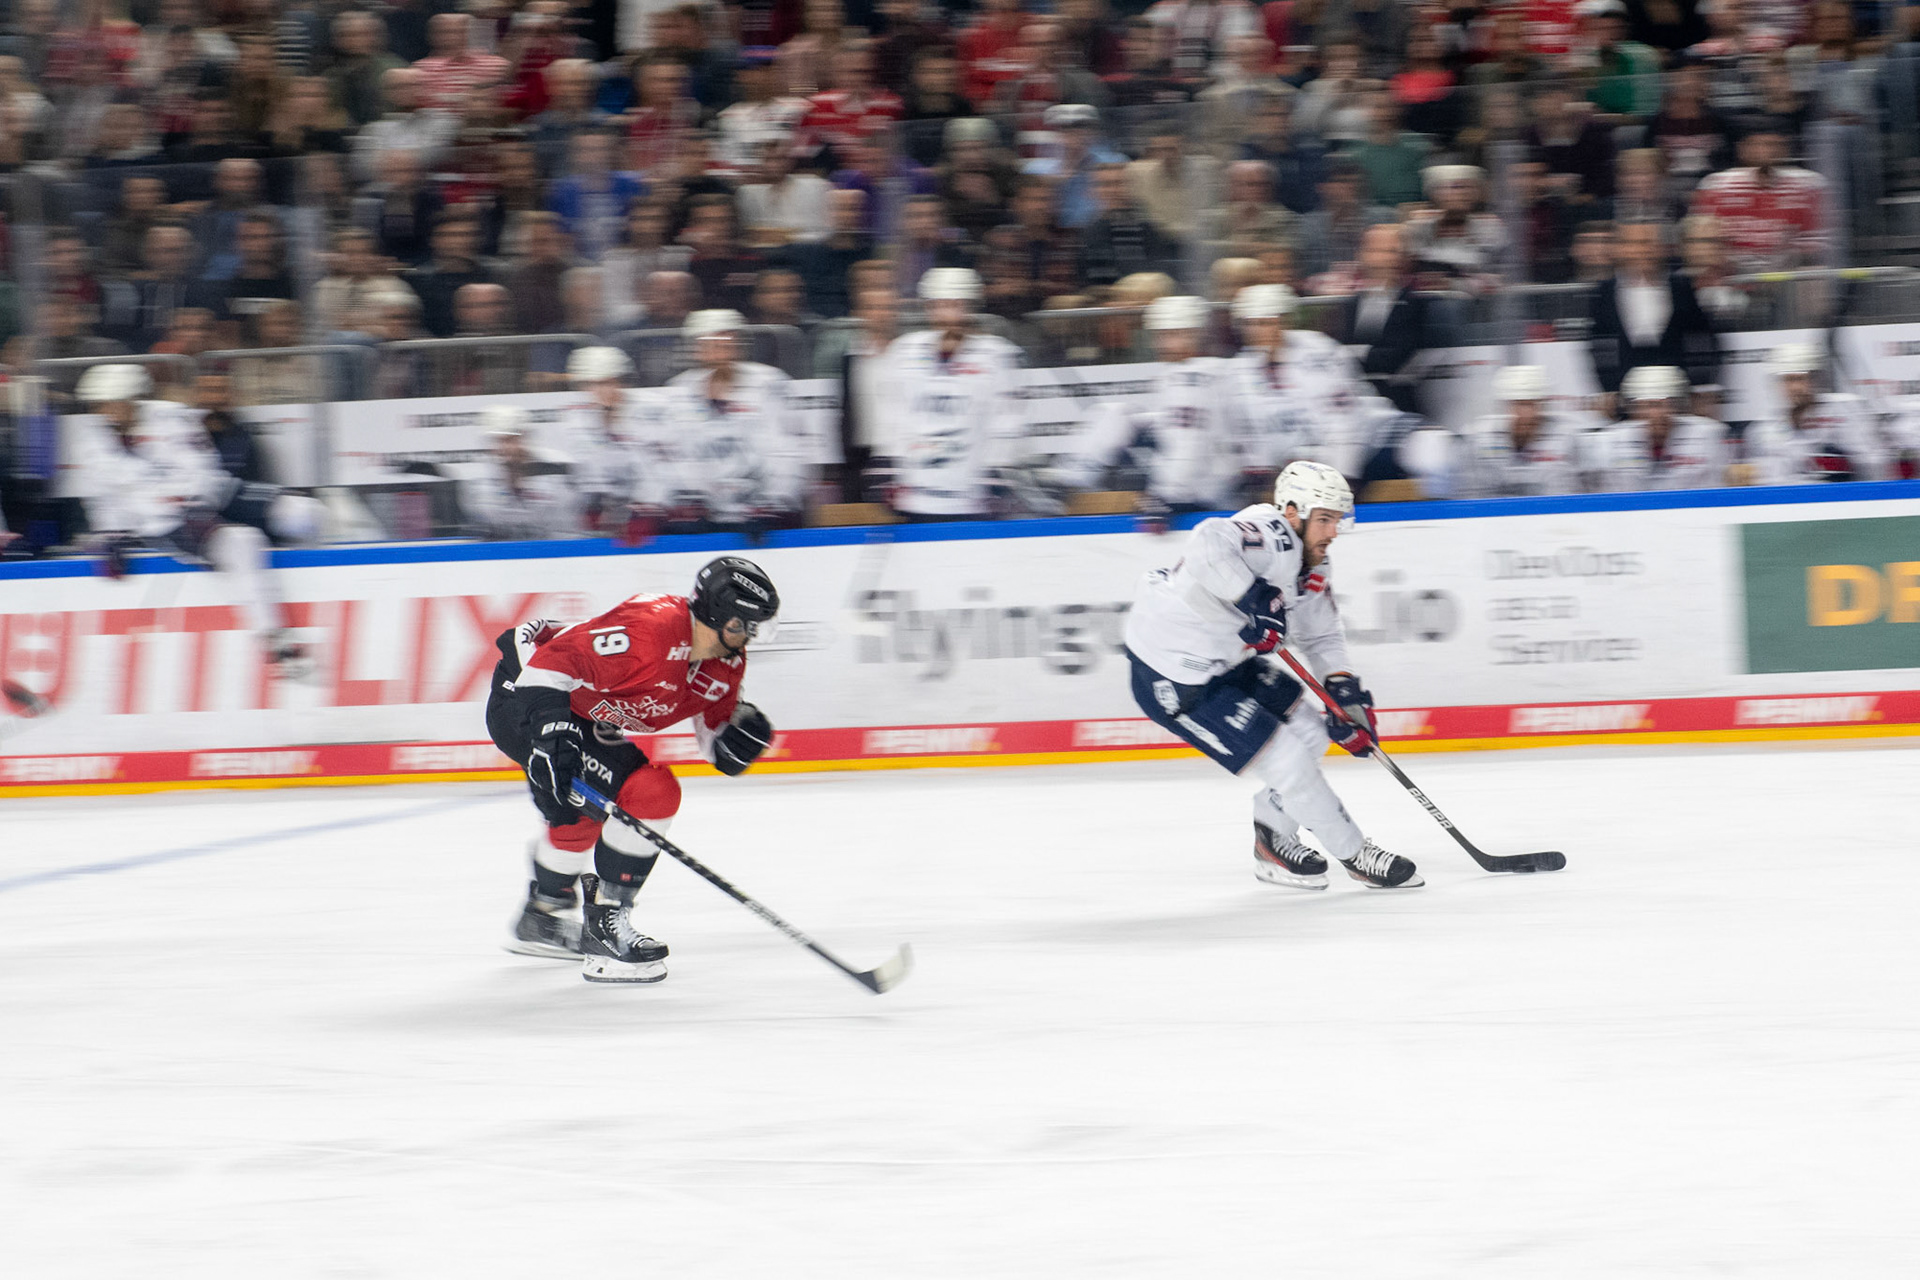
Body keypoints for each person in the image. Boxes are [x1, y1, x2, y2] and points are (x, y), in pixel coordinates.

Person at [1123, 459, 1423, 890]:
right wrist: (1255, 595)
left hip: (1226, 661)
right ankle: (1356, 854)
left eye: (1337, 520)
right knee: (1288, 761)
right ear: (1292, 513)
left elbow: (1320, 638)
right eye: (1324, 519)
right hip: (1172, 674)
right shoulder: (1271, 533)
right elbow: (1208, 540)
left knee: (1313, 732)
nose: (1333, 532)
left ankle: (1271, 840)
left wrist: (1344, 695)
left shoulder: (1315, 567)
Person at [487, 555, 780, 983]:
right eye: (744, 624)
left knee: (581, 815)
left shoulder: (726, 663)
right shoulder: (650, 630)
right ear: (719, 613)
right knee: (649, 792)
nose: (749, 636)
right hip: (527, 698)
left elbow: (713, 734)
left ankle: (541, 919)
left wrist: (734, 742)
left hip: (580, 714)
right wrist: (552, 732)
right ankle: (605, 928)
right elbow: (545, 666)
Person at [67, 363, 311, 676]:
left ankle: (317, 587)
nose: (104, 412)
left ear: (132, 399)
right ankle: (275, 642)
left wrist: (194, 502)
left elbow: (202, 467)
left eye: (111, 403)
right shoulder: (91, 441)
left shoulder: (171, 417)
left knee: (303, 513)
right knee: (242, 542)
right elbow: (100, 497)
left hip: (211, 493)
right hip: (164, 523)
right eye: (98, 405)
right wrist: (109, 535)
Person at [871, 267, 1025, 519]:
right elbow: (891, 415)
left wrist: (997, 468)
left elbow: (1007, 421)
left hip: (972, 498)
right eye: (942, 304)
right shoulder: (903, 352)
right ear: (929, 307)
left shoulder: (997, 355)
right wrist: (886, 461)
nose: (951, 313)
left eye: (958, 304)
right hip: (916, 497)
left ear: (971, 307)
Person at [1224, 283, 1395, 488]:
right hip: (1293, 469)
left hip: (1360, 451)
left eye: (1264, 323)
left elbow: (1343, 423)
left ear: (1283, 321)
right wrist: (1260, 476)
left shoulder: (1319, 353)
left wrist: (1341, 478)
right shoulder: (1239, 369)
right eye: (1249, 324)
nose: (1255, 331)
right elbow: (1246, 434)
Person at [661, 309, 808, 532]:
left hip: (762, 516)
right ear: (696, 346)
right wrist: (690, 499)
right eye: (712, 339)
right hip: (703, 519)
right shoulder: (677, 392)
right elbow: (672, 455)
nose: (721, 344)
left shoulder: (771, 383)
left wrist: (774, 500)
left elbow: (787, 450)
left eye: (728, 337)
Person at [557, 346, 672, 536]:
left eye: (609, 382)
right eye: (595, 384)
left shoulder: (651, 410)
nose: (604, 390)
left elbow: (658, 468)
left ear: (622, 381)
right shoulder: (574, 418)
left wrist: (644, 508)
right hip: (598, 513)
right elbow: (580, 475)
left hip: (648, 514)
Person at [1743, 343, 1890, 484]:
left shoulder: (1846, 411)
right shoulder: (1762, 429)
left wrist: (1846, 468)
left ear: (1816, 379)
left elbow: (1875, 464)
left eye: (1800, 379)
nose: (1794, 388)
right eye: (1788, 380)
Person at [1582, 364, 1728, 491]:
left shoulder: (1707, 435)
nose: (1658, 413)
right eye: (1650, 405)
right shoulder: (1608, 442)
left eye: (1666, 404)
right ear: (1634, 409)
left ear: (1678, 406)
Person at [1458, 365, 1584, 498]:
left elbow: (1583, 493)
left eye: (1532, 404)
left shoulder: (1567, 437)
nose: (1526, 414)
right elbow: (1468, 494)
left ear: (1543, 405)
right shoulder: (1478, 438)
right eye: (1518, 404)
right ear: (1505, 406)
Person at [464, 405, 577, 540]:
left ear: (526, 438)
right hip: (501, 553)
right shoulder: (479, 478)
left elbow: (568, 525)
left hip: (554, 550)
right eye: (498, 441)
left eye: (511, 440)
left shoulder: (557, 468)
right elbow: (479, 529)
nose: (504, 448)